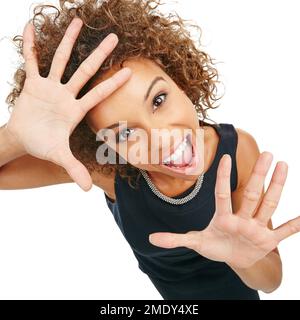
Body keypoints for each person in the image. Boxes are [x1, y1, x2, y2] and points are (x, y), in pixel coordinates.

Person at [0, 0, 299, 300]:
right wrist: (14, 136)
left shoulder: (236, 152)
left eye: (158, 100)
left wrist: (242, 259)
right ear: (100, 146)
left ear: (179, 79)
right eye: (126, 133)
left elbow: (271, 281)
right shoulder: (106, 170)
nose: (162, 139)